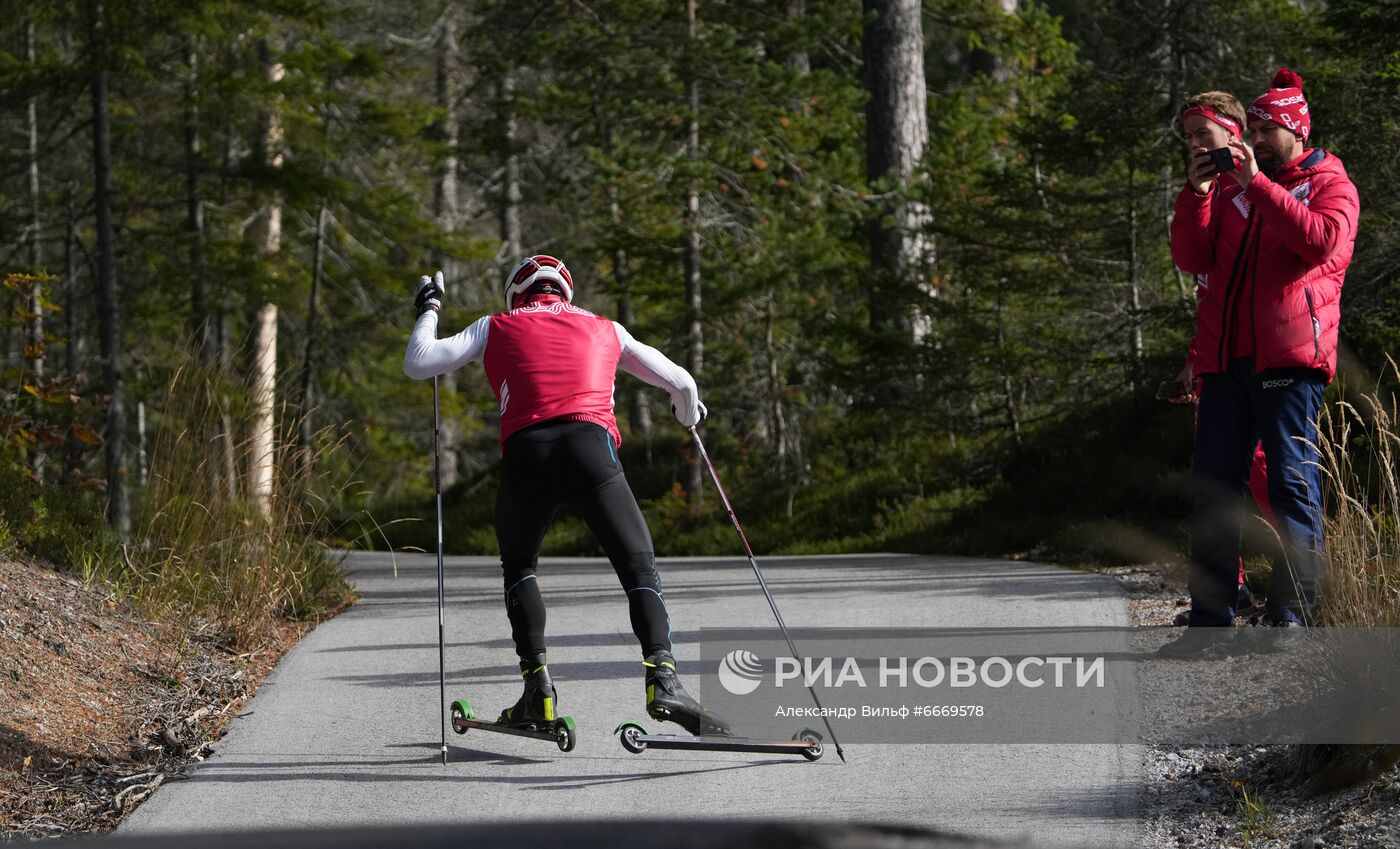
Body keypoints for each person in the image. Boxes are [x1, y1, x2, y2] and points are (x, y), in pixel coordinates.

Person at [403, 256, 731, 734]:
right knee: (638, 566)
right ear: (565, 292)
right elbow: (681, 382)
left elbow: (419, 363)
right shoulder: (606, 328)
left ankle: (538, 687)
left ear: (517, 294)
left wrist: (429, 308)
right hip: (590, 450)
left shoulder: (493, 326)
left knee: (519, 565)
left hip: (526, 455)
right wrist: (687, 413)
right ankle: (662, 678)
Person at [1160, 70, 1360, 657]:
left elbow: (1322, 243)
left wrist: (1259, 186)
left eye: (1268, 129)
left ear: (1296, 129)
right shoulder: (1230, 191)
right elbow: (1192, 256)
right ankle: (1210, 621)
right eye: (1253, 129)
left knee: (1291, 485)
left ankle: (1294, 614)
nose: (1257, 139)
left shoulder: (1329, 181)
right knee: (1216, 491)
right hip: (1225, 362)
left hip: (1290, 359)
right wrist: (1196, 197)